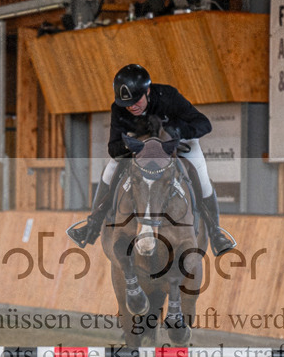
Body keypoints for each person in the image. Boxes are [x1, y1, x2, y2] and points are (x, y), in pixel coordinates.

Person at [67, 64, 236, 256]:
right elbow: (113, 148)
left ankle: (215, 233)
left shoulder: (168, 96)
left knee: (202, 177)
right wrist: (134, 142)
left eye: (136, 100)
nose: (132, 107)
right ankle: (92, 225)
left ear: (147, 91)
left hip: (177, 144)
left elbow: (204, 124)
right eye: (127, 104)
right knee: (110, 169)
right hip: (141, 150)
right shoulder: (119, 108)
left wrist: (176, 130)